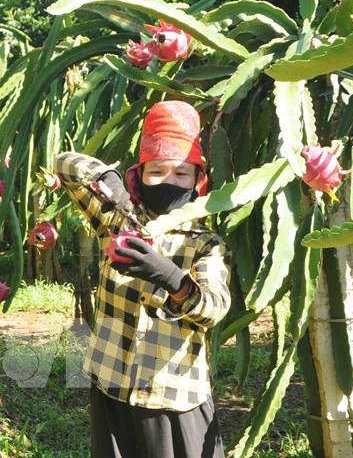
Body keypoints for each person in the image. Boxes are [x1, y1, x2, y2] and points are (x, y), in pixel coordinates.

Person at [54, 100, 230, 458]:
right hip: (112, 384)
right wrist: (106, 177)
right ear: (138, 176)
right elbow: (65, 164)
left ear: (199, 181)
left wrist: (172, 278)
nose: (169, 181)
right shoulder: (117, 218)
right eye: (157, 171)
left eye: (181, 174)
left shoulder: (204, 243)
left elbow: (215, 308)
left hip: (173, 395)